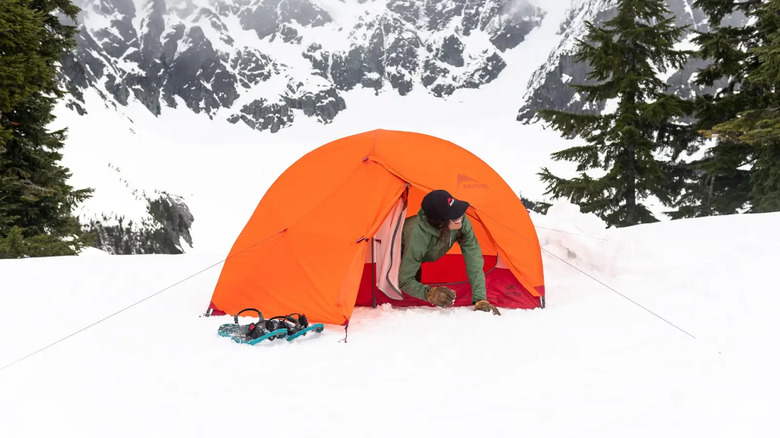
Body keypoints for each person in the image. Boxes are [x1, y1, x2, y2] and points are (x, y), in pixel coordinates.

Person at [398, 189, 501, 315]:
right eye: (453, 216)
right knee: (406, 289)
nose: (460, 217)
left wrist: (481, 299)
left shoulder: (460, 221)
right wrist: (429, 293)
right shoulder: (417, 235)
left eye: (457, 211)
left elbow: (474, 257)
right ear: (439, 222)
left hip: (426, 251)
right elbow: (405, 280)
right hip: (400, 252)